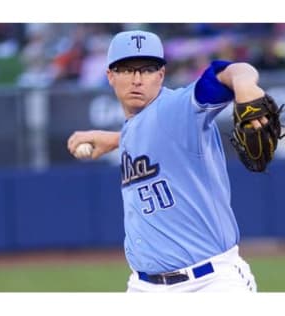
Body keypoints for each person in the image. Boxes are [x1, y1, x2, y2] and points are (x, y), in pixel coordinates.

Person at [67, 30, 270, 292]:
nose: (137, 79)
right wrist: (115, 139)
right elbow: (152, 135)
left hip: (209, 284)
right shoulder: (135, 128)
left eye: (148, 69)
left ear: (161, 75)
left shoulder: (179, 107)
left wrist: (244, 86)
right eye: (127, 69)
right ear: (110, 76)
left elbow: (233, 70)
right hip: (144, 287)